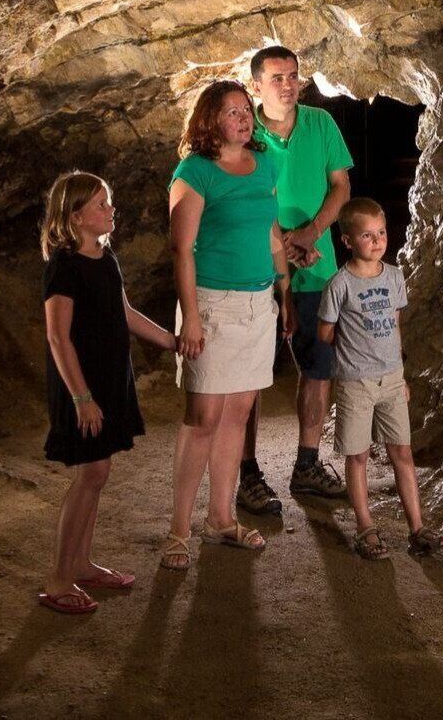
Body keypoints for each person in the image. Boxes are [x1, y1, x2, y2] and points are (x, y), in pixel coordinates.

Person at [162, 80, 293, 570]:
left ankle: (219, 519)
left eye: (245, 110)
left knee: (238, 414)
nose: (243, 118)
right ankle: (178, 530)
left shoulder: (265, 163)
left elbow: (270, 230)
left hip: (258, 304)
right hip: (213, 305)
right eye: (231, 111)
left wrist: (283, 288)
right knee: (203, 418)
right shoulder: (194, 172)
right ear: (210, 120)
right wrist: (192, 318)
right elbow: (182, 250)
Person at [38, 171, 176, 614]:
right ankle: (59, 579)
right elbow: (58, 337)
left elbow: (124, 312)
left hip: (109, 379)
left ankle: (80, 564)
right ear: (76, 216)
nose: (111, 209)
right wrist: (82, 398)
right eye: (101, 204)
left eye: (108, 201)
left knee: (97, 473)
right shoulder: (64, 266)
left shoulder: (105, 256)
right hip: (82, 385)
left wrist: (172, 341)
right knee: (92, 473)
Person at [238, 44, 353, 514]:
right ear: (257, 86)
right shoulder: (245, 132)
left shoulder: (321, 123)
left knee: (319, 367)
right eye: (277, 78)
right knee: (247, 376)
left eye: (293, 76)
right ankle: (247, 473)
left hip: (317, 267)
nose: (288, 85)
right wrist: (280, 245)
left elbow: (341, 185)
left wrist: (311, 232)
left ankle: (307, 464)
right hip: (257, 271)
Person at [319, 197, 443, 559]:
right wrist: (353, 345)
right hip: (355, 382)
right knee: (358, 456)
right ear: (347, 241)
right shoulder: (339, 285)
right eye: (367, 235)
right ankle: (366, 528)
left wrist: (401, 376)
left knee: (402, 452)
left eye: (381, 233)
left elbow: (394, 326)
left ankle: (417, 529)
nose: (377, 241)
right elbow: (325, 332)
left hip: (391, 379)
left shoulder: (394, 276)